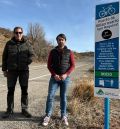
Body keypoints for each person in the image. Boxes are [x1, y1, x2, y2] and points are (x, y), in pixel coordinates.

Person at [42, 33, 75, 126]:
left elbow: (72, 65)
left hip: (65, 78)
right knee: (50, 96)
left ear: (65, 40)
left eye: (62, 39)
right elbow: (49, 65)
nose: (61, 41)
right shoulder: (52, 52)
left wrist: (66, 74)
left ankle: (63, 115)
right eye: (59, 39)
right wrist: (54, 74)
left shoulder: (69, 52)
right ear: (57, 41)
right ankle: (48, 115)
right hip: (54, 78)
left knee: (63, 97)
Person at [2, 26, 34, 118]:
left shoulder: (27, 43)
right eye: (16, 32)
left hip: (24, 71)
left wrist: (27, 62)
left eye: (20, 32)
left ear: (22, 33)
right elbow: (4, 57)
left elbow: (32, 55)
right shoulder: (9, 44)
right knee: (10, 90)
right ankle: (9, 110)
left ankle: (24, 109)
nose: (18, 34)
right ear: (14, 33)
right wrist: (4, 70)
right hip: (11, 72)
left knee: (24, 90)